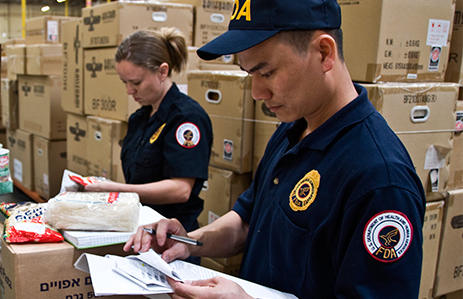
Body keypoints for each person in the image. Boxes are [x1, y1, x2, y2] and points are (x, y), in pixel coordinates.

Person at [125, 0, 426, 298]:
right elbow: (246, 221)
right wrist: (189, 240)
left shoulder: (380, 179)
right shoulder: (291, 131)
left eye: (266, 72)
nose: (257, 92)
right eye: (249, 74)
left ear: (324, 53)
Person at [83, 28, 214, 262]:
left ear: (163, 71)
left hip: (173, 243)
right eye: (124, 82)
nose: (129, 91)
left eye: (136, 82)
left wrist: (113, 188)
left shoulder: (186, 118)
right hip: (142, 233)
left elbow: (181, 189)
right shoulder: (140, 118)